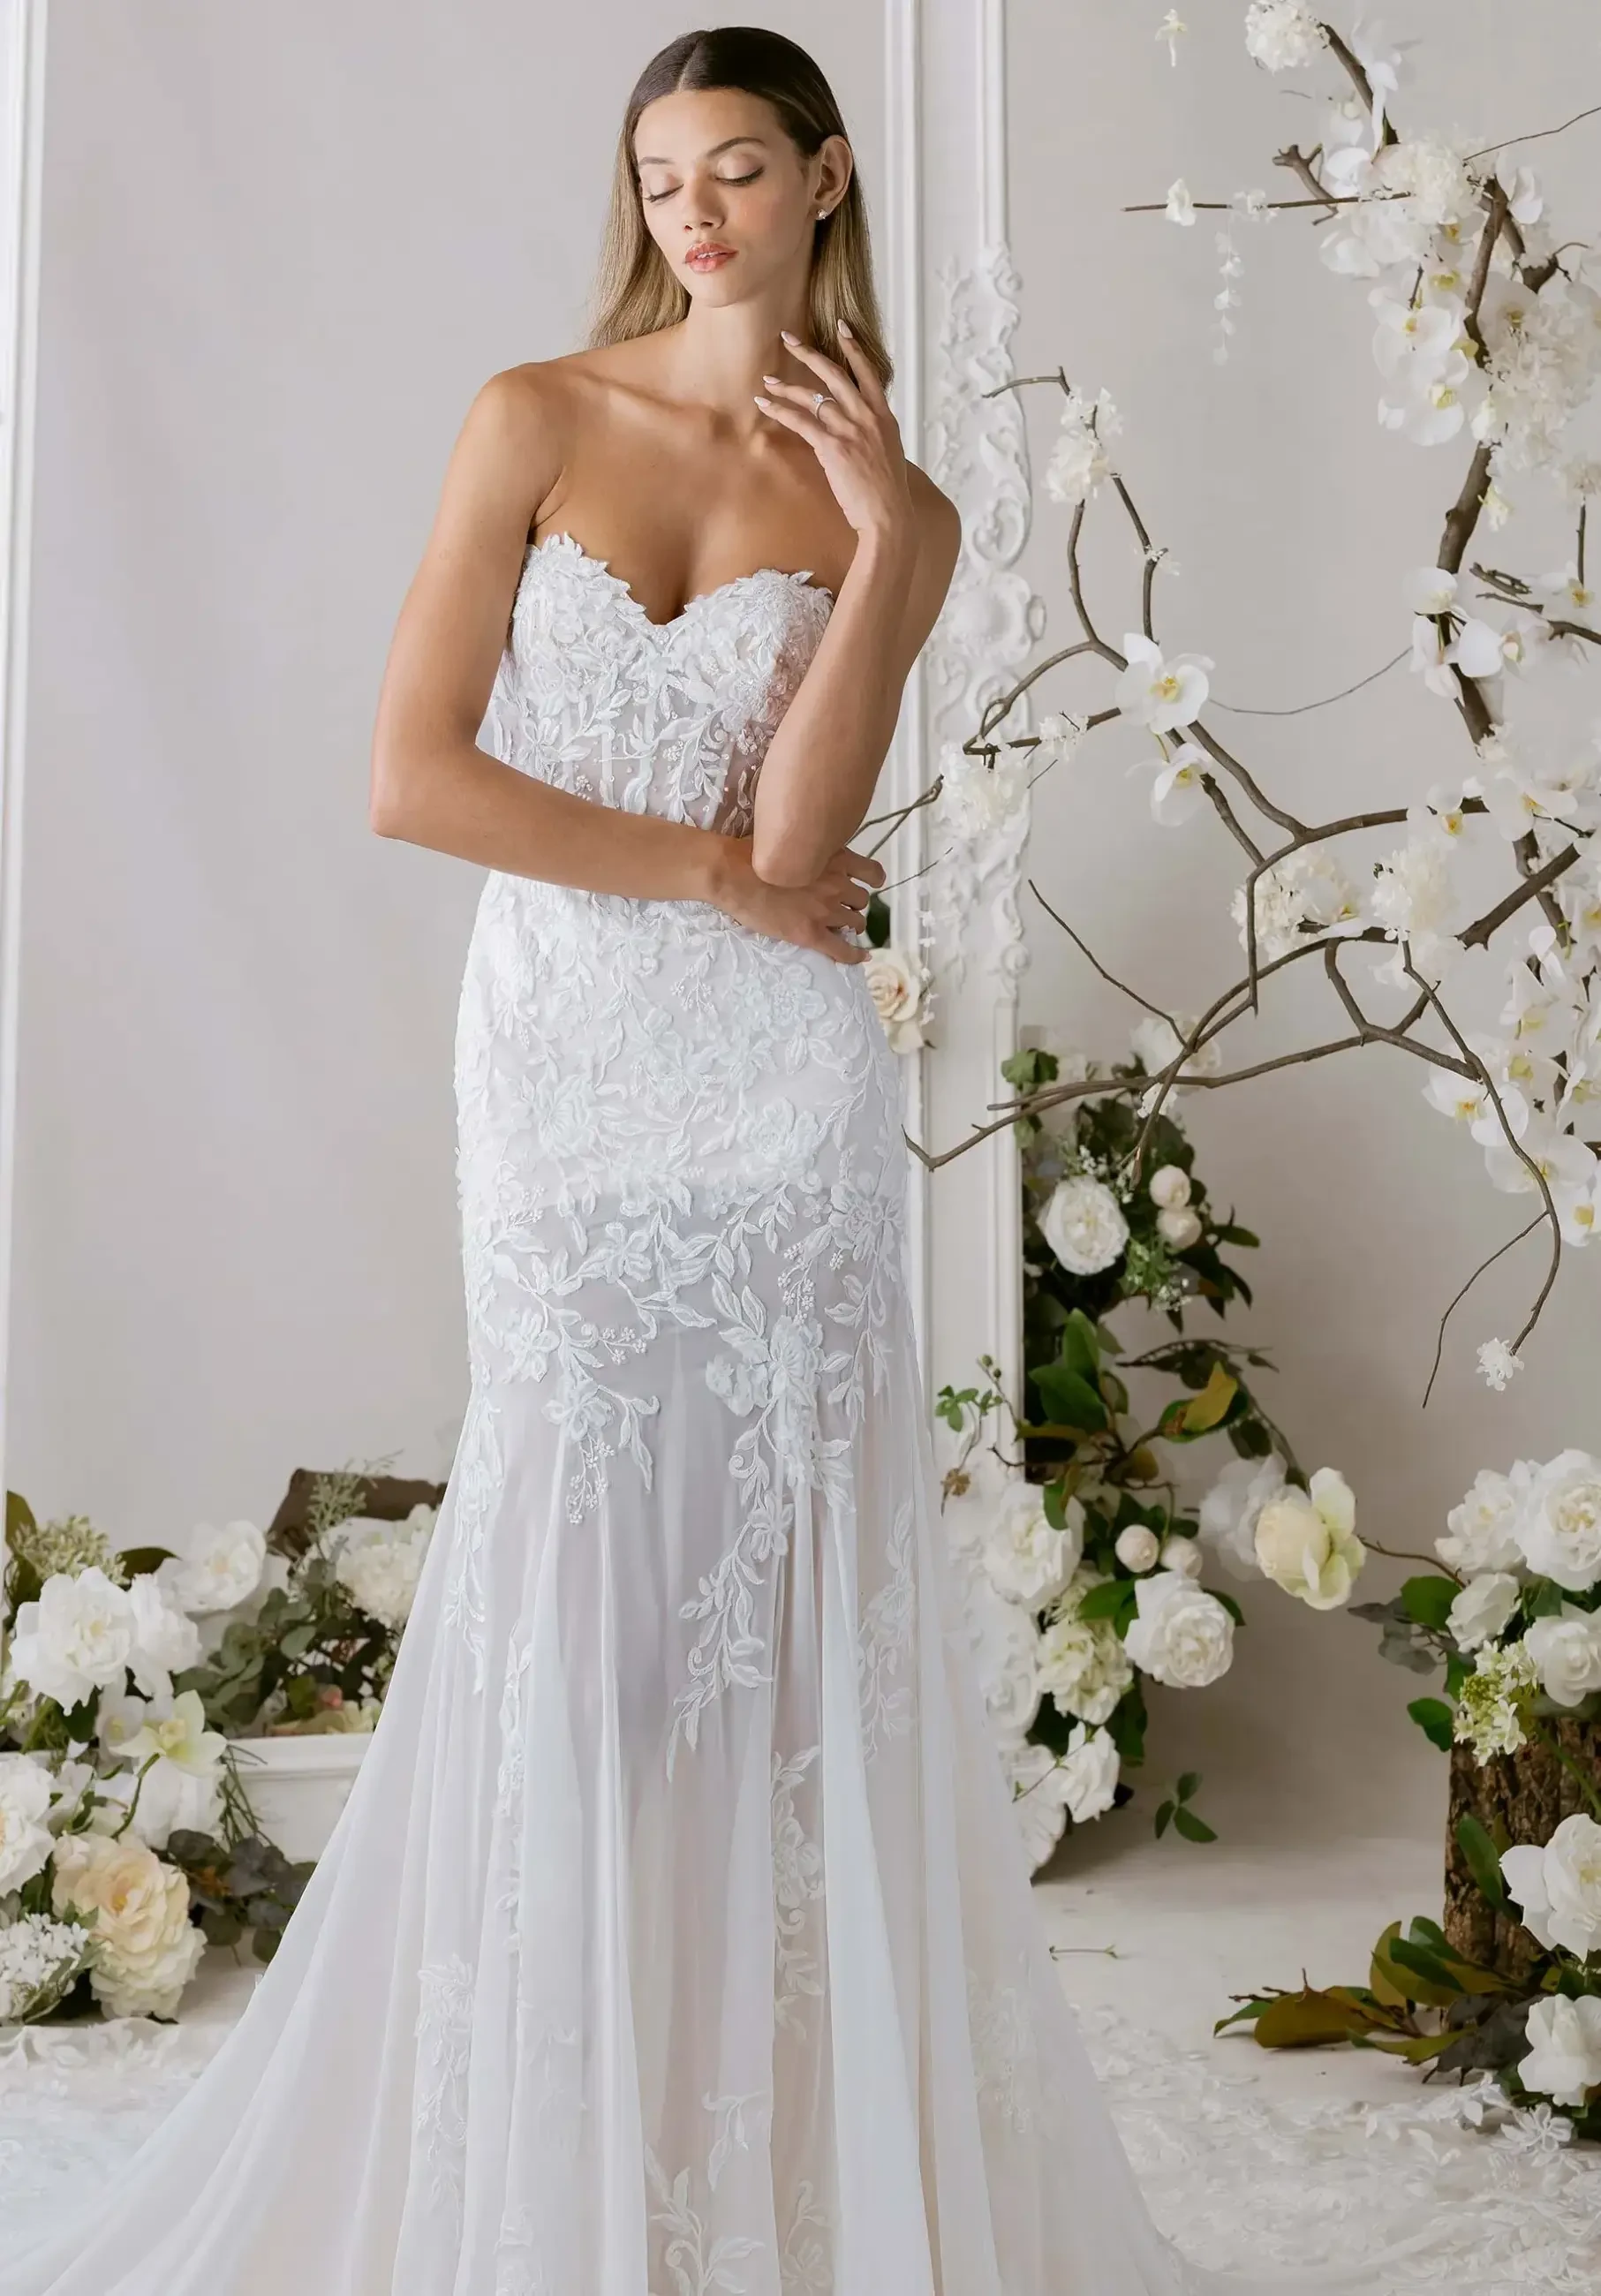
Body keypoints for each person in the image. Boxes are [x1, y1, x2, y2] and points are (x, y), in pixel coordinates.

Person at [2, 26, 1431, 2296]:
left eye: (740, 167)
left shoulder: (879, 483)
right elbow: (412, 776)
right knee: (584, 1596)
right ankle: (563, 2148)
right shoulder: (534, 417)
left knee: (781, 1614)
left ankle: (777, 2154)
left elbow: (806, 844)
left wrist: (903, 550)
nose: (695, 209)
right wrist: (697, 877)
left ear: (824, 180)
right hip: (568, 1065)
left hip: (782, 1099)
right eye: (665, 174)